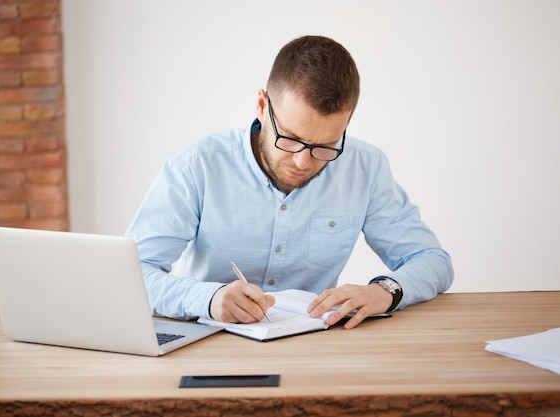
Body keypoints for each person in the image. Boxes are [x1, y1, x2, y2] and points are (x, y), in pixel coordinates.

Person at [125, 35, 454, 329]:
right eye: (291, 139)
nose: (303, 161)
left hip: (313, 347)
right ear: (262, 106)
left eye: (325, 146)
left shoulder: (365, 167)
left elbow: (432, 260)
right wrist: (208, 299)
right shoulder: (196, 167)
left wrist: (385, 291)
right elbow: (132, 274)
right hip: (210, 342)